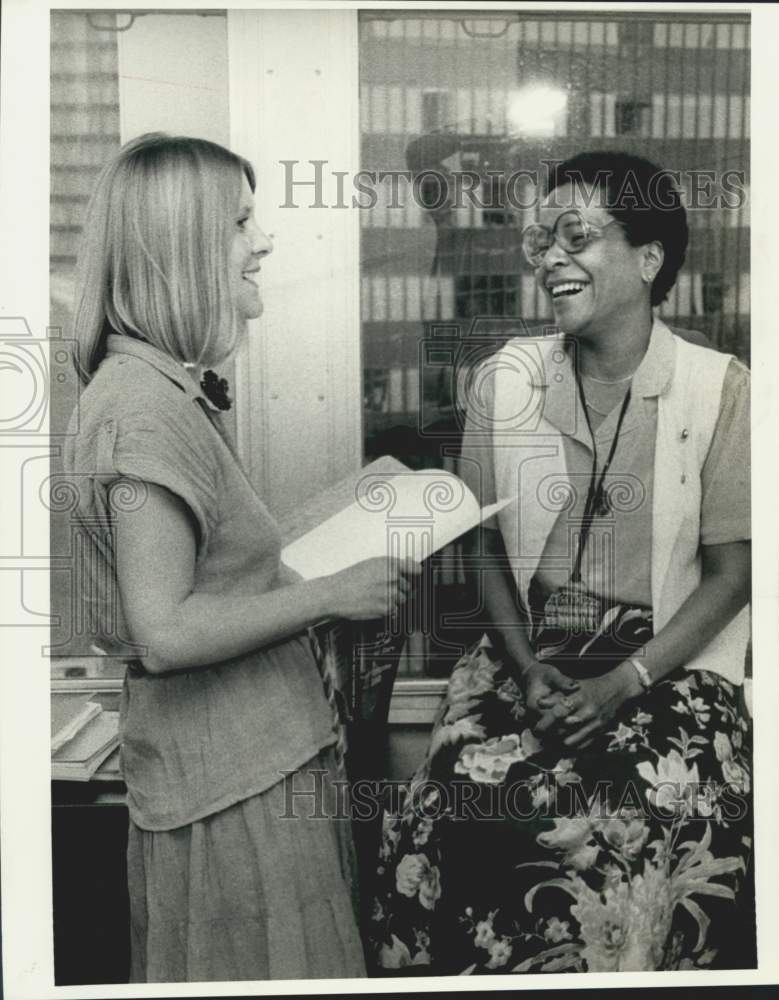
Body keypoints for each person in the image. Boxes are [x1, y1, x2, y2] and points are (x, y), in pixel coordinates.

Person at [370, 151, 752, 974]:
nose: (548, 257)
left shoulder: (720, 389)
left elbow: (731, 575)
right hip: (526, 654)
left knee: (649, 819)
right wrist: (524, 665)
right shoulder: (503, 380)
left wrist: (623, 684)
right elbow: (478, 542)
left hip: (665, 663)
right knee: (463, 807)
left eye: (574, 236)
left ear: (649, 260)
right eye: (540, 239)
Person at [64, 132, 420, 982]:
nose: (261, 242)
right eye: (239, 222)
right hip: (231, 789)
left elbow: (210, 576)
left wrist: (333, 526)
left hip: (249, 766)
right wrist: (329, 592)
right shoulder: (143, 413)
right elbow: (167, 632)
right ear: (180, 244)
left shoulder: (159, 393)